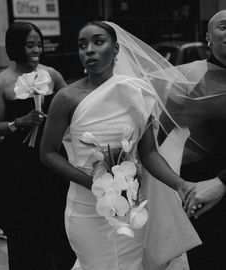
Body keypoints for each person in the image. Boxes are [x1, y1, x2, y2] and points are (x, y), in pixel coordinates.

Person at [40, 21, 201, 270]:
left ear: (116, 49)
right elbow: (48, 153)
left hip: (129, 208)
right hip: (86, 209)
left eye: (98, 42)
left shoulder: (137, 92)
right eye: (82, 46)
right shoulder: (66, 98)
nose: (89, 50)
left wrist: (181, 185)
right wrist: (91, 182)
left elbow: (148, 154)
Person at [0, 21, 76, 270]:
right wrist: (19, 122)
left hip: (51, 158)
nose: (37, 49)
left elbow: (76, 108)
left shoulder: (53, 74)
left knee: (59, 223)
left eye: (39, 44)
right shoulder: (0, 83)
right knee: (25, 229)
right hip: (17, 165)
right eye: (30, 45)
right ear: (16, 46)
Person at [175, 10, 226, 270]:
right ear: (208, 37)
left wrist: (222, 182)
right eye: (223, 27)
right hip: (202, 195)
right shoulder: (189, 81)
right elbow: (166, 134)